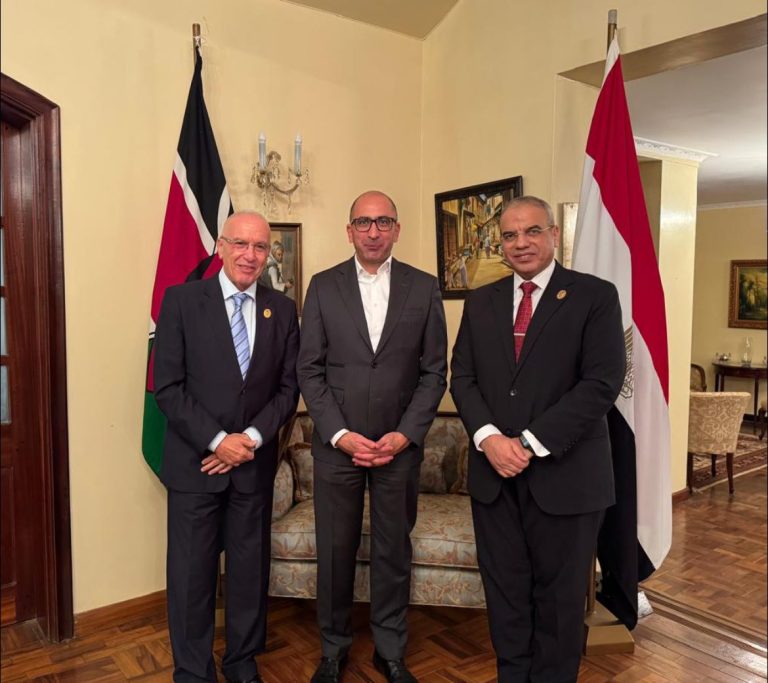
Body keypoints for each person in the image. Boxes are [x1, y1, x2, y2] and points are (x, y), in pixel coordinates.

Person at [450, 196, 625, 683]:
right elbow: (462, 377)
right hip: (494, 478)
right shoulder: (481, 301)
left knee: (560, 604)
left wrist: (526, 443)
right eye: (509, 235)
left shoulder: (594, 296)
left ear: (553, 234)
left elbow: (602, 383)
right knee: (505, 597)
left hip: (567, 477)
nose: (520, 243)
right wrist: (489, 439)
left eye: (531, 231)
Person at [297, 190, 448, 683]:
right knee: (335, 551)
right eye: (364, 222)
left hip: (397, 449)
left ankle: (390, 650)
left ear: (397, 229)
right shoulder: (323, 287)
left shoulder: (424, 288)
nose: (374, 231)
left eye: (384, 221)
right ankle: (333, 650)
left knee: (392, 551)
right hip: (337, 447)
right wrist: (339, 434)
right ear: (349, 231)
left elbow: (434, 373)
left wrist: (405, 435)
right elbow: (309, 369)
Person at [153, 211, 300, 683]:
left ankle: (241, 664)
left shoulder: (282, 310)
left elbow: (288, 389)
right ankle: (193, 672)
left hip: (252, 467)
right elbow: (167, 387)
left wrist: (250, 440)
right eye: (240, 244)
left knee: (248, 575)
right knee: (191, 578)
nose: (249, 255)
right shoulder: (181, 301)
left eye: (260, 247)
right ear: (220, 246)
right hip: (196, 465)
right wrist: (218, 441)